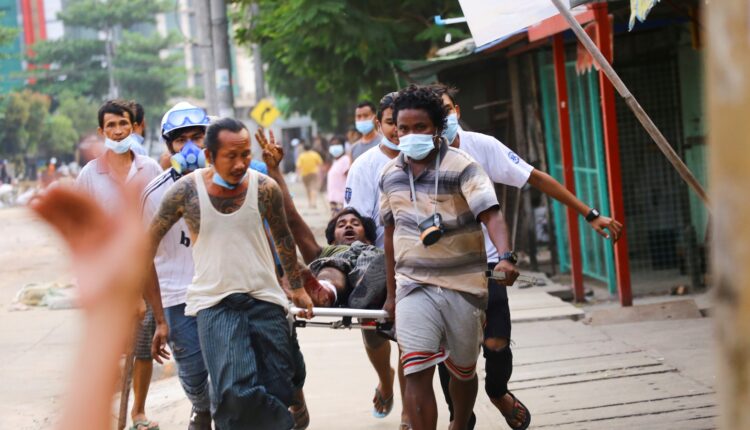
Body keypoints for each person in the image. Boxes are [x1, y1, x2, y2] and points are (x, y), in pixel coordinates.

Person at [432, 83, 624, 430]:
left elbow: (534, 177)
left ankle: (497, 391)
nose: (444, 119)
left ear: (457, 111)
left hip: (488, 260)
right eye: (436, 113)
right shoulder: (419, 161)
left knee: (496, 341)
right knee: (450, 351)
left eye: (447, 110)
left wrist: (589, 213)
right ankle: (459, 417)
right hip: (442, 267)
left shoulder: (482, 147)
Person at [146, 117, 316, 430]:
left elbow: (283, 237)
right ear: (209, 156)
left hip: (265, 297)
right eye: (231, 156)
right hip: (215, 304)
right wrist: (157, 317)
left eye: (245, 155)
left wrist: (297, 287)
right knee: (234, 393)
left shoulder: (265, 188)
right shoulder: (185, 192)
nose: (240, 164)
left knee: (280, 384)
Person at [380, 84, 519, 430]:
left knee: (463, 371)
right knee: (416, 370)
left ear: (437, 128)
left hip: (463, 287)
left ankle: (459, 423)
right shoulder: (389, 176)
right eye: (404, 128)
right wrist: (391, 295)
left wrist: (505, 256)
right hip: (413, 287)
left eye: (420, 127)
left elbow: (492, 215)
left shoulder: (464, 166)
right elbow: (389, 237)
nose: (410, 135)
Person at [256, 129, 399, 421]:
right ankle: (323, 291)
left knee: (376, 308)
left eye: (355, 223)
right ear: (332, 236)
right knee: (331, 267)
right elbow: (291, 217)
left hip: (375, 278)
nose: (348, 226)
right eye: (342, 224)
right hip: (334, 278)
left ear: (368, 233)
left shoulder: (380, 250)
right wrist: (275, 171)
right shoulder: (325, 252)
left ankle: (393, 391)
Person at [75, 99, 162, 430]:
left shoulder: (150, 169)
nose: (118, 131)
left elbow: (161, 219)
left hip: (148, 272)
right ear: (102, 131)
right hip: (109, 276)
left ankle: (138, 411)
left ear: (134, 127)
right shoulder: (89, 174)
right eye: (110, 125)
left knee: (143, 346)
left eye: (123, 124)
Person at [141, 102, 213, 430]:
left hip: (222, 291)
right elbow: (144, 258)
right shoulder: (154, 195)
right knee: (194, 374)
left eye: (197, 137)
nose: (189, 147)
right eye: (180, 140)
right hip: (177, 297)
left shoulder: (230, 182)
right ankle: (201, 408)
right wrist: (159, 319)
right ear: (168, 146)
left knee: (231, 370)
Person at [345, 92, 401, 247]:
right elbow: (356, 220)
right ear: (379, 124)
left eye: (403, 123)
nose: (398, 129)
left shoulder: (426, 161)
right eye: (391, 122)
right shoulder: (363, 165)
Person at [326, 135, 350, 216]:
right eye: (332, 145)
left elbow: (350, 179)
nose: (334, 147)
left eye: (337, 144)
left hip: (341, 201)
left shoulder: (345, 160)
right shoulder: (335, 161)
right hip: (334, 200)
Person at [296, 141, 324, 209]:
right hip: (314, 173)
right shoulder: (315, 154)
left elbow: (298, 166)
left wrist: (298, 175)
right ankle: (313, 202)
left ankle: (310, 202)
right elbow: (320, 164)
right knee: (313, 188)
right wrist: (320, 173)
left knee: (307, 189)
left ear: (304, 148)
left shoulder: (301, 156)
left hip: (304, 174)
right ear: (310, 148)